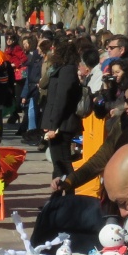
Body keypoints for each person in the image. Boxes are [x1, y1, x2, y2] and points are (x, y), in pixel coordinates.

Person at [56, 74, 128, 193]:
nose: (126, 106)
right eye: (125, 100)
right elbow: (100, 159)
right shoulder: (123, 122)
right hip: (121, 195)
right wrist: (70, 181)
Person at [40, 42, 83, 185]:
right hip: (58, 121)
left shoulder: (67, 71)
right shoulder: (62, 69)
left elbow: (61, 99)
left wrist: (53, 125)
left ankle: (69, 195)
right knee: (58, 163)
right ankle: (57, 197)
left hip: (63, 123)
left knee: (63, 162)